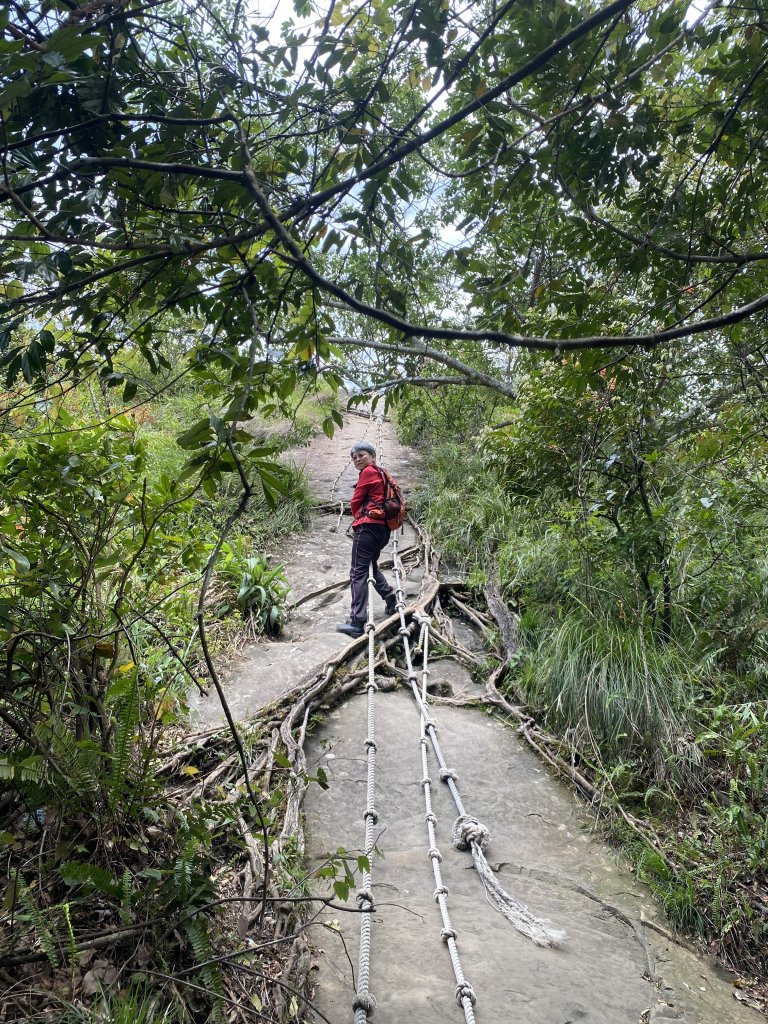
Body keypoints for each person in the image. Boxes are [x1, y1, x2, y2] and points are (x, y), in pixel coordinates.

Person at [335, 441, 398, 638]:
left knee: (357, 572)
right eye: (354, 457)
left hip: (368, 528)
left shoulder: (369, 472)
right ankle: (390, 598)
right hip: (383, 530)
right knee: (370, 566)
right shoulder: (382, 473)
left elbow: (356, 501)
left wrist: (358, 518)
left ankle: (357, 622)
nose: (357, 459)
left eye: (361, 455)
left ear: (372, 456)